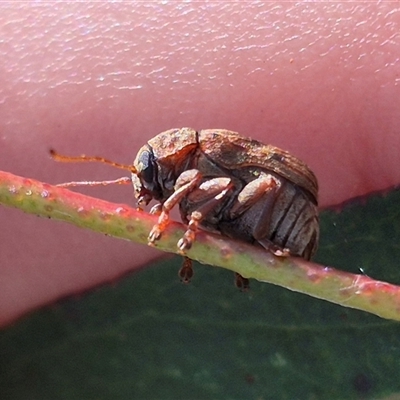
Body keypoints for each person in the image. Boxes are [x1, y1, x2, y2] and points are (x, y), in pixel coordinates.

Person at [1, 2, 399, 327]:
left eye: (147, 176)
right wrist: (186, 227)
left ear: (168, 156)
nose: (145, 195)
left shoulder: (199, 158)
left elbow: (226, 189)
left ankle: (257, 244)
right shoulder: (189, 177)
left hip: (284, 209)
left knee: (243, 190)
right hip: (260, 210)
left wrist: (188, 223)